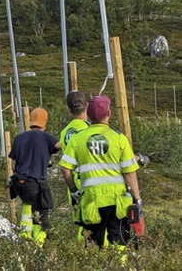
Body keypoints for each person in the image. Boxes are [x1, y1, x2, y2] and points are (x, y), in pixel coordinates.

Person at [59, 95, 141, 249]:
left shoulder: (77, 139)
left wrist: (74, 191)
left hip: (91, 199)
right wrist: (137, 199)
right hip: (117, 200)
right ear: (108, 113)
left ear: (88, 113)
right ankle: (120, 266)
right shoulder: (119, 138)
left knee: (93, 242)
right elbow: (130, 173)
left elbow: (65, 168)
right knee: (119, 239)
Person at [9, 107, 61, 246]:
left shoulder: (19, 138)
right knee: (42, 215)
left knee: (28, 206)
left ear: (30, 121)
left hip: (19, 184)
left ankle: (25, 238)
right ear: (45, 122)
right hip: (36, 183)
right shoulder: (46, 137)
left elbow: (13, 166)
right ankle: (39, 244)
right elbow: (61, 145)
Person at [60, 90, 90, 240]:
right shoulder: (88, 129)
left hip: (72, 181)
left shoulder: (65, 131)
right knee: (92, 221)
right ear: (87, 106)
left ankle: (81, 254)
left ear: (68, 109)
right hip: (88, 180)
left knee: (80, 221)